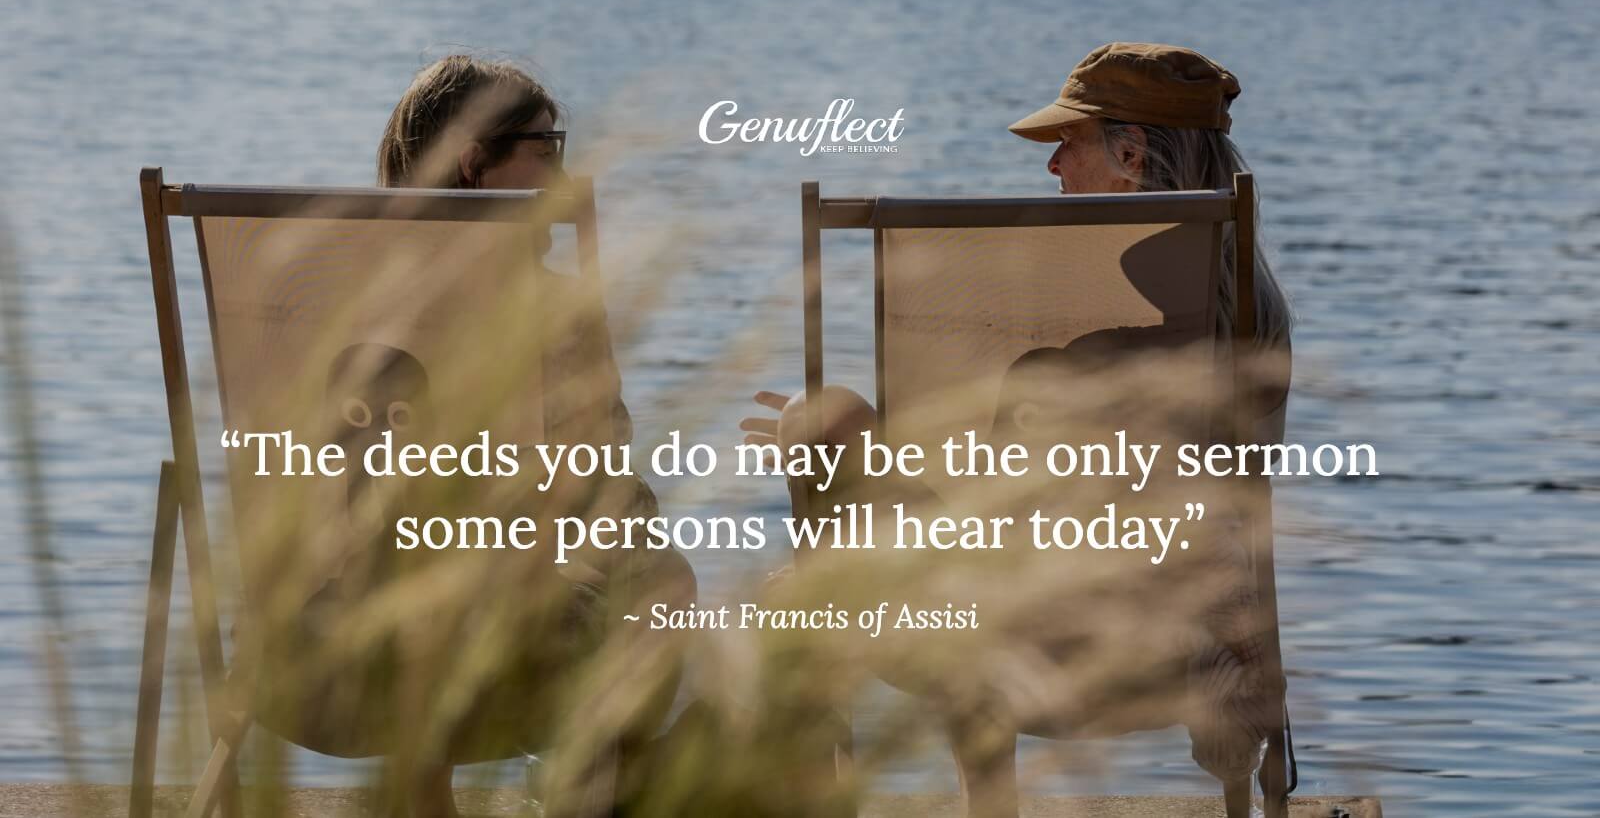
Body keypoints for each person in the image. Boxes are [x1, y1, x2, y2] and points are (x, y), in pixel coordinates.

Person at [743, 43, 1291, 818]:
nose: (1052, 168)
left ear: (1131, 156)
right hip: (1183, 647)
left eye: (1068, 143)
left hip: (1046, 647)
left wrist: (853, 438)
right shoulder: (1253, 320)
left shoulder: (1089, 356)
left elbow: (991, 533)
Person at [274, 55, 694, 817]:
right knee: (657, 583)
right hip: (485, 665)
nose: (562, 178)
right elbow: (607, 500)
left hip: (300, 662)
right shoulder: (547, 318)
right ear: (475, 162)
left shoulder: (325, 306)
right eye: (546, 149)